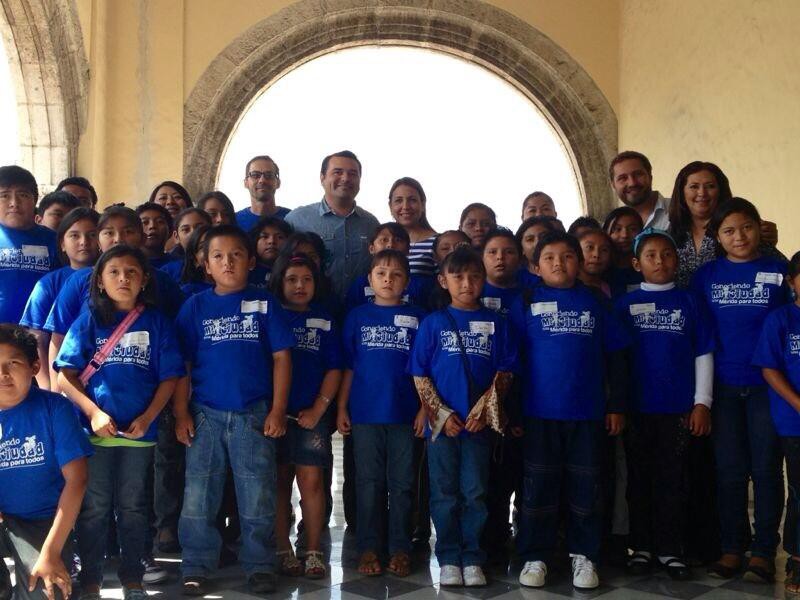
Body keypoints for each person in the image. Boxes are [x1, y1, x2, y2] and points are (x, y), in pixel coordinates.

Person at [55, 245, 185, 600]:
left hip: (140, 436)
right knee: (94, 507)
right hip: (94, 436)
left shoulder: (157, 323)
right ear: (99, 280)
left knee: (134, 507)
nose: (123, 278)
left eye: (131, 272)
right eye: (113, 272)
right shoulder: (89, 320)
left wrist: (148, 418)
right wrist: (93, 412)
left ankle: (132, 577)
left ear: (144, 280)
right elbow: (65, 376)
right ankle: (92, 579)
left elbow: (170, 377)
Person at [173, 225, 294, 596]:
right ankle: (196, 564)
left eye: (237, 255)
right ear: (205, 265)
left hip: (254, 415)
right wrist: (181, 414)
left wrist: (277, 410)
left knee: (257, 494)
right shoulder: (195, 306)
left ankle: (259, 564)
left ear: (251, 261)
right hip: (205, 414)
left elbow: (282, 358)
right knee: (199, 494)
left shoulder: (265, 303)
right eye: (218, 256)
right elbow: (183, 366)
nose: (228, 262)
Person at [514, 231, 629, 591]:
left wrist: (616, 405)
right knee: (538, 487)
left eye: (567, 256)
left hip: (588, 415)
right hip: (539, 415)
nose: (558, 263)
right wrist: (513, 411)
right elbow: (512, 362)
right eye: (549, 258)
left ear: (578, 263)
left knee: (587, 488)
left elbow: (617, 356)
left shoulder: (595, 301)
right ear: (535, 266)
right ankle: (536, 555)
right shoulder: (527, 301)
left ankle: (585, 556)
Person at [691, 198, 789, 583]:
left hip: (769, 387)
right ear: (718, 236)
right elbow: (699, 334)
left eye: (746, 227)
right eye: (729, 230)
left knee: (766, 470)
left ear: (759, 227)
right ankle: (733, 547)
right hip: (723, 388)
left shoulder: (779, 272)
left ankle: (764, 551)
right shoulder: (706, 277)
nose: (739, 237)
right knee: (729, 471)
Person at [409, 245, 516, 588]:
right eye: (458, 277)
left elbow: (505, 373)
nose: (467, 283)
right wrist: (440, 414)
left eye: (474, 276)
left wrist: (484, 413)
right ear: (443, 281)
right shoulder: (433, 323)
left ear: (484, 279)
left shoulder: (497, 323)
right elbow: (419, 373)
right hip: (442, 430)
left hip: (478, 428)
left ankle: (473, 557)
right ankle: (449, 557)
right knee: (444, 493)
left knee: (475, 492)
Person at [615, 229, 714, 581]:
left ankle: (671, 549)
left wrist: (702, 402)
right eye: (651, 255)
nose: (660, 261)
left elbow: (703, 352)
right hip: (637, 410)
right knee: (639, 480)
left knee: (674, 480)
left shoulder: (690, 302)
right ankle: (641, 546)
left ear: (677, 259)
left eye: (667, 254)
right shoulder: (623, 305)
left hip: (678, 410)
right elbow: (616, 360)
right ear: (636, 263)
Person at [339, 249, 426, 577]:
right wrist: (342, 408)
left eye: (396, 274)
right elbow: (348, 366)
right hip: (364, 415)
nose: (388, 279)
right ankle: (369, 547)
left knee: (403, 485)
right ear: (370, 279)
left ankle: (401, 548)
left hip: (405, 416)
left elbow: (424, 370)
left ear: (407, 282)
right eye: (381, 273)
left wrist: (424, 409)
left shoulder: (419, 317)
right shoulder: (357, 316)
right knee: (368, 483)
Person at [0, 324, 92, 600]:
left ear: (34, 365)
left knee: (46, 590)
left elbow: (77, 480)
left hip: (42, 522)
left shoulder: (54, 408)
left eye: (12, 363)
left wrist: (50, 554)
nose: (3, 374)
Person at [270, 253, 342, 580]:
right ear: (279, 282)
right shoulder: (270, 315)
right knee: (279, 482)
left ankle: (313, 549)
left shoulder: (325, 319)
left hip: (312, 416)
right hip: (274, 415)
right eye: (291, 279)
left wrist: (319, 408)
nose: (300, 286)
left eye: (307, 280)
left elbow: (334, 368)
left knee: (312, 483)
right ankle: (283, 548)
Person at [752, 251, 800, 594]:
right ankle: (797, 559)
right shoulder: (781, 319)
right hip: (793, 421)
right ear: (792, 281)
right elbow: (769, 368)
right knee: (799, 491)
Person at [478, 228, 525, 562]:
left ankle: (521, 536)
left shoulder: (530, 296)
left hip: (521, 399)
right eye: (493, 251)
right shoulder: (471, 294)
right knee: (484, 478)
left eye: (508, 252)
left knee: (516, 473)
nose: (500, 258)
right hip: (476, 404)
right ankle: (486, 541)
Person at [20, 208, 99, 390]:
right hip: (59, 380)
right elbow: (37, 338)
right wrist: (49, 388)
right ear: (62, 244)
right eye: (74, 235)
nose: (84, 242)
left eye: (92, 234)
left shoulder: (113, 279)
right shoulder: (49, 283)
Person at [668, 161, 780, 289]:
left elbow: (784, 270)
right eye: (694, 186)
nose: (702, 193)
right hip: (683, 306)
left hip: (731, 304)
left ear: (720, 190)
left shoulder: (743, 227)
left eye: (710, 186)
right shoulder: (671, 232)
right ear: (682, 192)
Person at [285, 150, 380, 300]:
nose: (345, 178)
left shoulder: (371, 224)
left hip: (361, 310)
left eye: (353, 174)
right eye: (337, 172)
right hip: (312, 308)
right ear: (322, 178)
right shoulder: (296, 220)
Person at [0, 165, 59, 324]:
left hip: (39, 333)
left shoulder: (54, 240)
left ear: (35, 200)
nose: (14, 203)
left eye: (23, 195)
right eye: (4, 195)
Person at [344, 223, 432, 312]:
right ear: (371, 248)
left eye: (398, 240)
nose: (390, 245)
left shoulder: (420, 285)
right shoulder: (360, 284)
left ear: (408, 249)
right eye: (384, 240)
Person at [388, 177, 437, 277]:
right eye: (399, 200)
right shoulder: (384, 242)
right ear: (390, 206)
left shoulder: (438, 243)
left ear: (423, 205)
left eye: (412, 200)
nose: (405, 206)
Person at [608, 151, 670, 229]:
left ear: (650, 177)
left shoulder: (680, 210)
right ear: (613, 185)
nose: (632, 183)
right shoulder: (611, 226)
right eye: (622, 178)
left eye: (638, 174)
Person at [236, 156, 291, 231]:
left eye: (269, 175)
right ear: (246, 183)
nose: (262, 180)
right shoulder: (234, 221)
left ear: (278, 183)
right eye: (255, 175)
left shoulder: (292, 219)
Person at [603, 206, 644, 297]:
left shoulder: (647, 269)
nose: (625, 235)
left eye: (632, 229)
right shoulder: (600, 270)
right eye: (617, 229)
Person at [248, 216, 293, 289]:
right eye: (265, 237)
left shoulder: (294, 269)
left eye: (279, 237)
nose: (271, 241)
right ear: (255, 241)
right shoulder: (245, 270)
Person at [136, 203, 177, 269]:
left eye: (160, 222)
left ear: (170, 230)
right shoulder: (128, 264)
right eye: (145, 222)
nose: (152, 226)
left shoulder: (181, 266)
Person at [577, 229, 613, 297]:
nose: (596, 255)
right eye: (589, 247)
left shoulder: (611, 288)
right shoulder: (565, 287)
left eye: (604, 250)